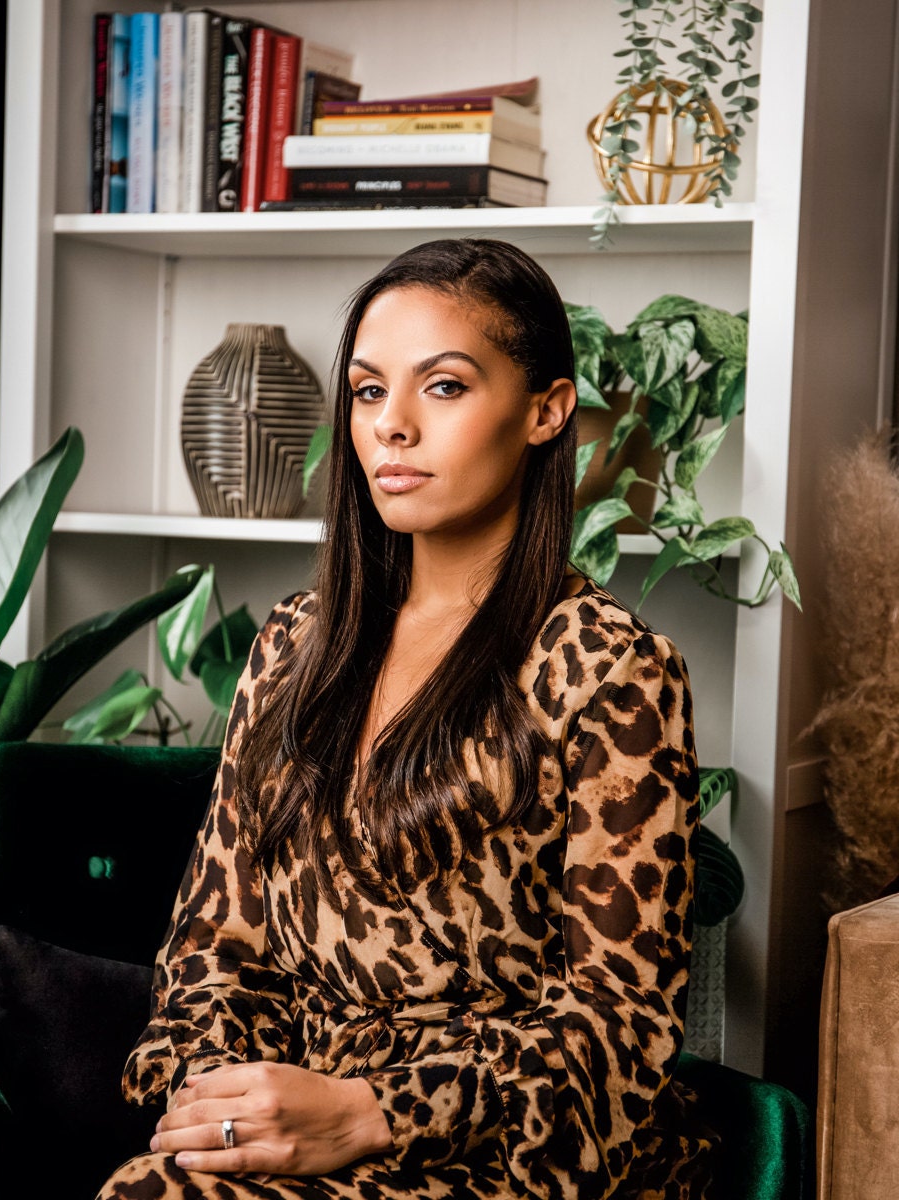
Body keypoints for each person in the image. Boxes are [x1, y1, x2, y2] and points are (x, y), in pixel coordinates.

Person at [96, 237, 712, 1200]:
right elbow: (216, 942)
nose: (394, 428)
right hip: (289, 1112)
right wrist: (228, 1102)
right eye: (370, 391)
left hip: (502, 1148)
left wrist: (372, 1111)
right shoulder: (297, 644)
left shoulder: (612, 669)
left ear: (546, 412)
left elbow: (619, 1021)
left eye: (446, 387)